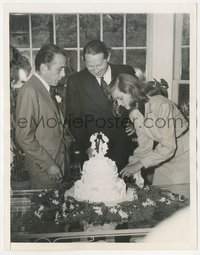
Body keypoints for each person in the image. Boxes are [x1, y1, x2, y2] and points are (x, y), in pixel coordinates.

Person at [66, 39, 137, 171]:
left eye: (99, 65)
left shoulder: (126, 71)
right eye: (90, 66)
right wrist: (87, 145)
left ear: (107, 57)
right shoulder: (76, 81)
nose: (95, 70)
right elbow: (73, 119)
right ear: (84, 60)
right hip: (94, 147)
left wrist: (135, 123)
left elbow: (137, 102)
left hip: (124, 145)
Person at [111, 73, 189, 186]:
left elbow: (169, 146)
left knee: (180, 198)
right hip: (163, 155)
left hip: (186, 154)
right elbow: (144, 146)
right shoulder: (134, 114)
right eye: (116, 100)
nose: (119, 104)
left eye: (120, 98)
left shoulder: (161, 105)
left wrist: (139, 165)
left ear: (131, 90)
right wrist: (130, 166)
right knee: (161, 193)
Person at [16, 44, 73, 189]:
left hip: (60, 165)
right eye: (59, 69)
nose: (63, 75)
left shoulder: (46, 88)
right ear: (42, 68)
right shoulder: (30, 90)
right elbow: (24, 137)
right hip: (47, 171)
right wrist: (49, 165)